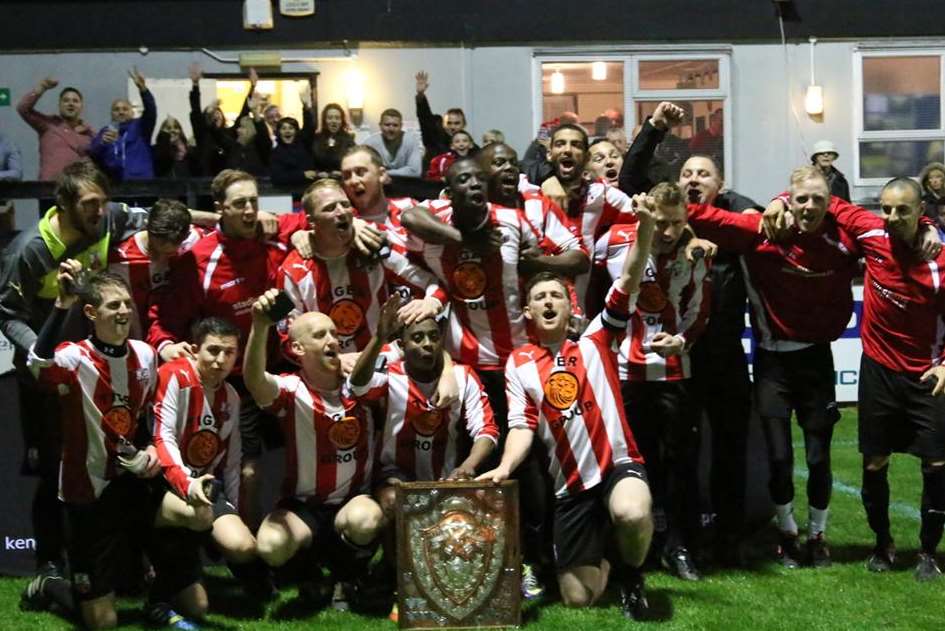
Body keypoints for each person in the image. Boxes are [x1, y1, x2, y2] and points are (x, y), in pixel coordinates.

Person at [476, 203, 657, 619]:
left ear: (570, 307)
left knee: (632, 511)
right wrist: (504, 467)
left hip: (617, 465)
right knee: (578, 598)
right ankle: (609, 553)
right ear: (529, 312)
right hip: (570, 486)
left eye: (556, 294)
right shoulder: (519, 362)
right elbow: (522, 425)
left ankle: (632, 574)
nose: (548, 301)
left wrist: (644, 226)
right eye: (539, 297)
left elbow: (629, 276)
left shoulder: (596, 339)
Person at [766, 177, 945, 581]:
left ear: (921, 213)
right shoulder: (870, 231)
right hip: (879, 370)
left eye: (903, 210)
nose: (893, 217)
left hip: (926, 375)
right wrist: (779, 200)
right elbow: (820, 198)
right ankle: (883, 544)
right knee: (874, 464)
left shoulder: (940, 261)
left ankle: (928, 553)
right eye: (887, 208)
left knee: (936, 466)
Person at [689, 166, 867, 568]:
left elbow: (891, 235)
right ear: (789, 198)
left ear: (831, 204)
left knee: (819, 458)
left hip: (817, 361)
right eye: (799, 199)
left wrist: (925, 224)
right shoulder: (761, 231)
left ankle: (817, 534)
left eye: (816, 200)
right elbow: (703, 215)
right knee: (780, 458)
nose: (807, 207)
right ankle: (786, 533)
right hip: (772, 363)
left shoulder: (845, 240)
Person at [23, 268, 203, 630]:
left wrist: (152, 447)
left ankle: (158, 597)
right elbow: (38, 364)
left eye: (127, 303)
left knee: (197, 587)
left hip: (135, 479)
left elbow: (149, 416)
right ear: (91, 313)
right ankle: (51, 583)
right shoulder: (75, 357)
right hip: (88, 488)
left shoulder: (145, 354)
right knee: (102, 623)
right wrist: (61, 305)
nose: (124, 311)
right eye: (113, 305)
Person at [619, 101, 760, 559]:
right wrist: (656, 127)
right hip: (671, 359)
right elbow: (631, 178)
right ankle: (672, 533)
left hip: (720, 355)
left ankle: (730, 533)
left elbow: (758, 225)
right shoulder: (666, 225)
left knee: (730, 445)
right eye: (688, 174)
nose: (695, 179)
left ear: (721, 187)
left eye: (705, 174)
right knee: (673, 451)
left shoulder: (737, 225)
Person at [0, 160, 149, 581]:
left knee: (114, 463)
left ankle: (122, 559)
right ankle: (48, 563)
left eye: (103, 203)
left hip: (97, 369)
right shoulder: (31, 249)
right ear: (63, 204)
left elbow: (158, 218)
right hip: (46, 376)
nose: (99, 212)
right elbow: (8, 315)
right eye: (89, 204)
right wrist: (41, 356)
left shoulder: (105, 221)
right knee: (54, 467)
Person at [147, 169, 309, 531]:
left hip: (285, 370)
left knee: (309, 456)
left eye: (254, 202)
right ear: (220, 208)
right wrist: (167, 345)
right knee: (249, 470)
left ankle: (303, 547)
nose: (250, 210)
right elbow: (164, 318)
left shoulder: (275, 235)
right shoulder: (199, 261)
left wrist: (302, 231)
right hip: (236, 382)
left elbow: (312, 213)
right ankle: (245, 551)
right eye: (240, 204)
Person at [593, 183, 712, 581]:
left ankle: (677, 545)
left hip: (675, 373)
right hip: (624, 373)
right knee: (627, 461)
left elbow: (699, 309)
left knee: (678, 463)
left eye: (677, 223)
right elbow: (594, 293)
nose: (667, 232)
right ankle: (621, 547)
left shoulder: (694, 254)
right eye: (660, 222)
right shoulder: (613, 242)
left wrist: (682, 341)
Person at [243, 289, 386, 605]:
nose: (332, 340)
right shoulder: (291, 389)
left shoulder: (360, 381)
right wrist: (259, 325)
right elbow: (254, 381)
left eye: (334, 334)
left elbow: (413, 358)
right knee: (269, 546)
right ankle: (311, 575)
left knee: (368, 519)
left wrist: (444, 370)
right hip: (303, 507)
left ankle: (347, 577)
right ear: (297, 348)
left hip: (351, 502)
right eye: (320, 335)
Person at [152, 316, 272, 602]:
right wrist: (187, 484)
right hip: (165, 486)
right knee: (198, 516)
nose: (220, 360)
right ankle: (163, 569)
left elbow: (230, 463)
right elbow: (162, 438)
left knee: (243, 546)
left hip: (205, 490)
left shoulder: (230, 395)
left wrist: (234, 512)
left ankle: (255, 580)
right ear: (195, 350)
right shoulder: (174, 375)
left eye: (229, 353)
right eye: (214, 350)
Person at [277, 178, 447, 356]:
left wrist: (432, 301)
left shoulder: (375, 245)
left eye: (345, 204)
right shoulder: (289, 270)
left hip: (383, 361)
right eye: (329, 208)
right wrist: (332, 361)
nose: (341, 212)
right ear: (311, 222)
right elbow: (285, 338)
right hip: (327, 371)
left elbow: (433, 282)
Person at [107, 199, 203, 340]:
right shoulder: (120, 259)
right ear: (147, 227)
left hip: (183, 337)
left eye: (170, 253)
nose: (163, 257)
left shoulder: (195, 241)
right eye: (158, 249)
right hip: (139, 339)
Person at [17, 77, 95, 180]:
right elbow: (23, 109)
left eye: (75, 101)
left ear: (81, 106)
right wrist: (42, 87)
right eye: (66, 100)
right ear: (59, 105)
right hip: (50, 189)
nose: (71, 104)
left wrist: (89, 130)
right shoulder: (47, 124)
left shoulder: (89, 132)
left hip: (78, 188)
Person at [89, 67, 157, 181]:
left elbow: (151, 110)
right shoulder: (106, 131)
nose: (121, 112)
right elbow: (93, 153)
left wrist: (143, 89)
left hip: (142, 183)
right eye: (116, 109)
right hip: (115, 186)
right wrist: (102, 143)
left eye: (125, 109)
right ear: (111, 113)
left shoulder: (141, 126)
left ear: (131, 112)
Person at [414, 70, 467, 161]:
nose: (452, 127)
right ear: (443, 124)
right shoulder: (435, 138)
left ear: (463, 124)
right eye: (449, 123)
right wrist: (420, 95)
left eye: (456, 123)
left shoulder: (468, 143)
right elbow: (424, 118)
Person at [188, 63, 228, 177]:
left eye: (218, 114)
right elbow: (196, 111)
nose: (216, 117)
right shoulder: (202, 134)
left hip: (224, 180)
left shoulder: (228, 134)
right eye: (211, 114)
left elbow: (243, 113)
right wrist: (195, 85)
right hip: (205, 181)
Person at [304, 98, 356, 179]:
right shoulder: (316, 139)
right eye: (330, 118)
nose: (333, 121)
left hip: (342, 183)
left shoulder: (349, 140)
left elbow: (355, 165)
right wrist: (317, 173)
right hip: (320, 183)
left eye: (337, 118)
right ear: (325, 120)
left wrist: (342, 173)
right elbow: (310, 164)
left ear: (342, 121)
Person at [362, 109, 422, 177]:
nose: (391, 129)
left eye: (395, 125)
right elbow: (362, 168)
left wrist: (384, 173)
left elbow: (415, 172)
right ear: (380, 125)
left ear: (401, 126)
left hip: (405, 183)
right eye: (387, 125)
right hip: (380, 184)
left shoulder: (411, 141)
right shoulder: (370, 143)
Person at [269, 116, 316, 186]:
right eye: (283, 128)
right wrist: (302, 175)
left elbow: (309, 127)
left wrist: (306, 109)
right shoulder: (276, 153)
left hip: (306, 189)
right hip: (285, 194)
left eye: (291, 128)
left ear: (296, 131)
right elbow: (277, 177)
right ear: (279, 132)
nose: (287, 131)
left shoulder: (304, 147)